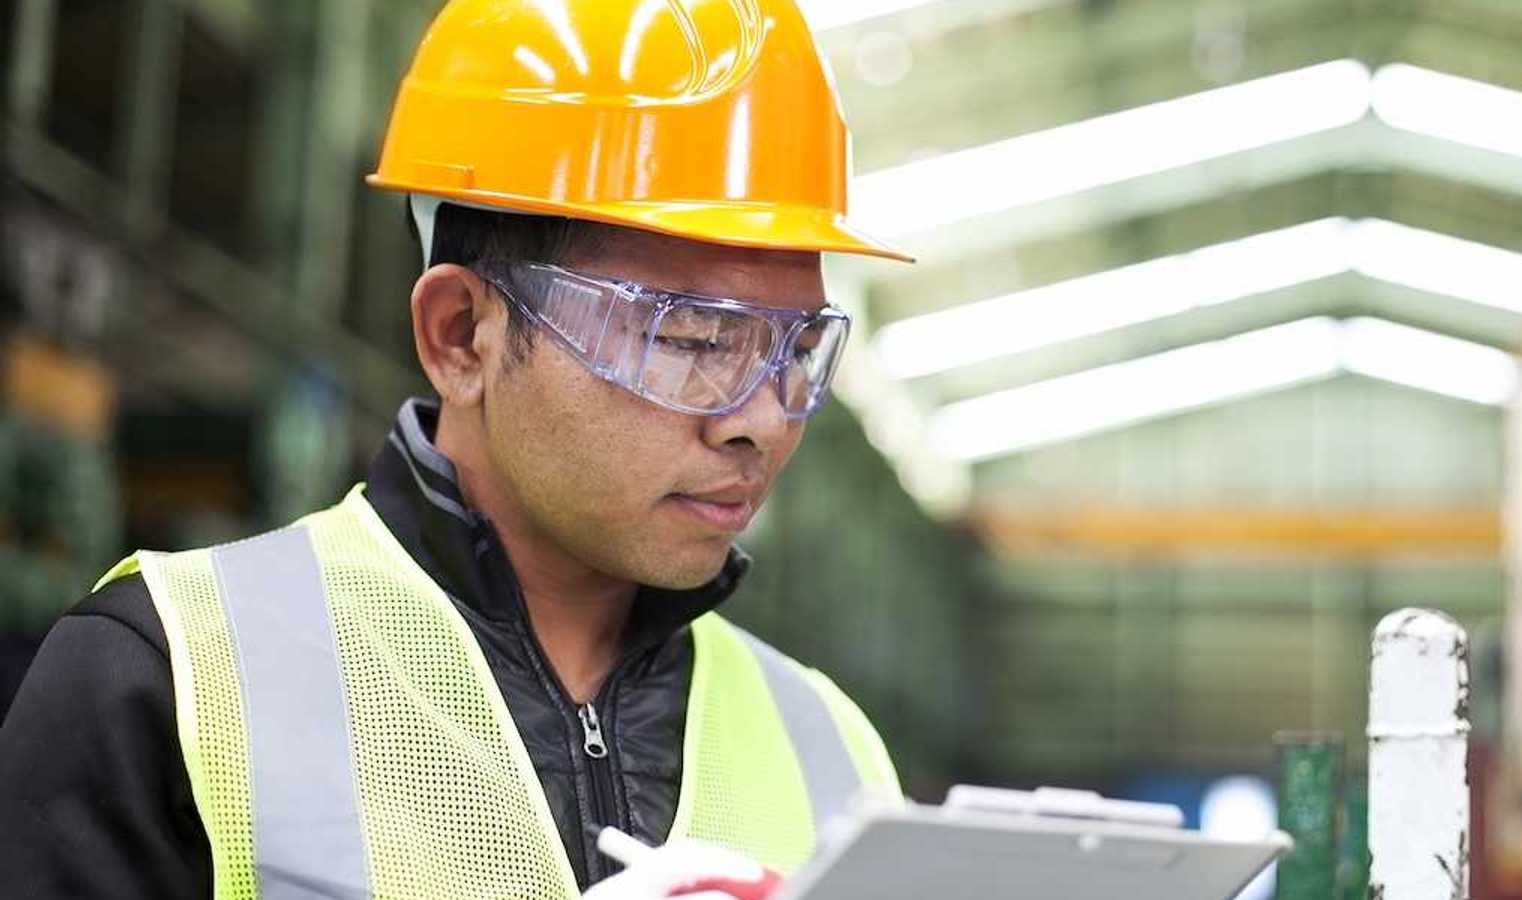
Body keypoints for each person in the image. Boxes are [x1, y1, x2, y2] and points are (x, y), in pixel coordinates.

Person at [0, 0, 912, 896]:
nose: (759, 421)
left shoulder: (834, 755)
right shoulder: (173, 681)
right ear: (460, 336)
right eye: (690, 341)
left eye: (796, 350)